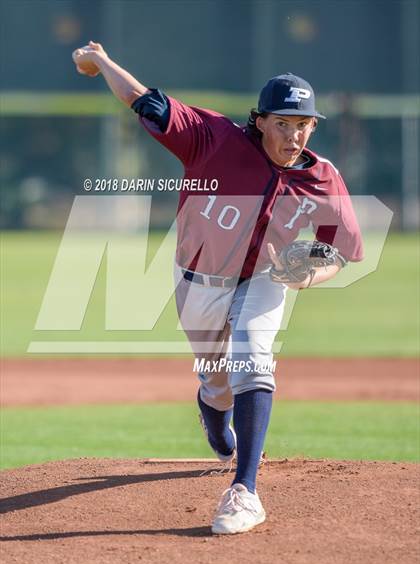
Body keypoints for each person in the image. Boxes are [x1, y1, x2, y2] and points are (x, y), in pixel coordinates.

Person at [72, 42, 363, 535]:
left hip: (264, 279)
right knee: (219, 383)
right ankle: (212, 407)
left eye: (303, 124)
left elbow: (340, 251)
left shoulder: (321, 178)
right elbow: (145, 101)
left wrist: (311, 275)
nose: (293, 135)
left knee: (254, 358)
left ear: (313, 127)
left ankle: (244, 489)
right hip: (196, 280)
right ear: (259, 121)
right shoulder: (214, 139)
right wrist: (100, 60)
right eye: (283, 123)